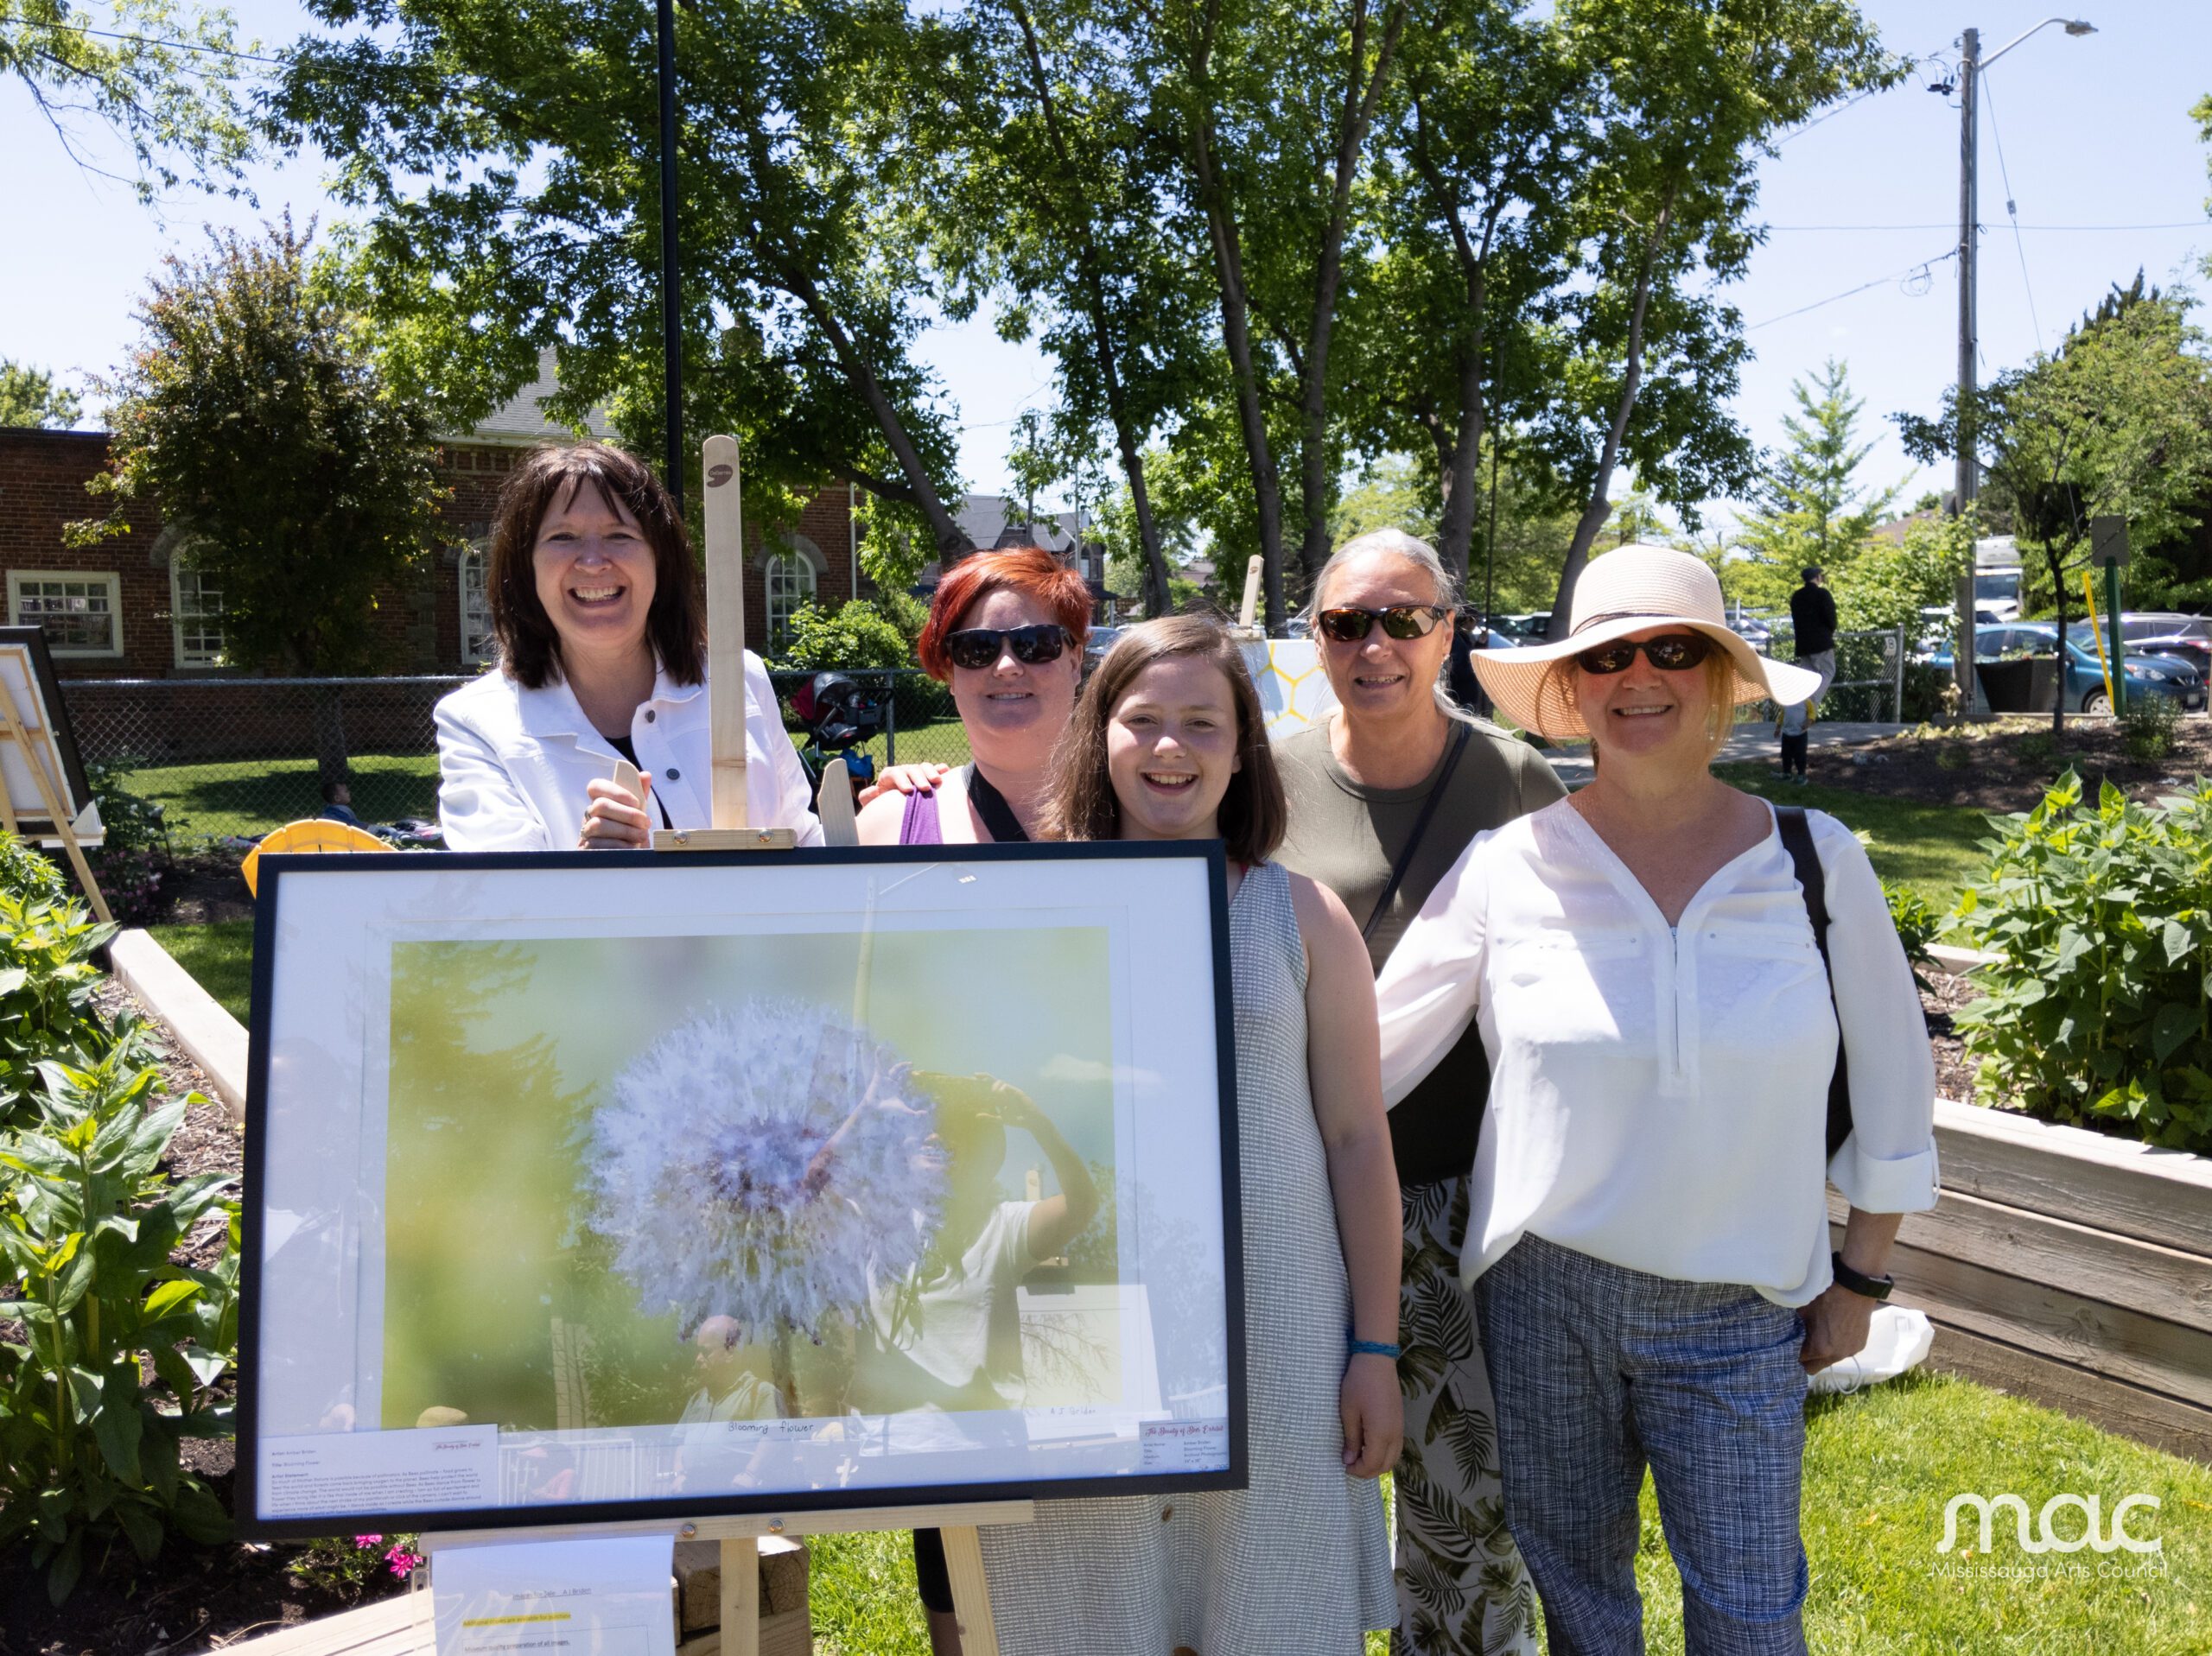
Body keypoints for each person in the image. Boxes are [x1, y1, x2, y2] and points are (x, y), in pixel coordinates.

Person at [1375, 545, 1938, 1654]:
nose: (1640, 676)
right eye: (1607, 655)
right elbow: (1366, 1056)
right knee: (1581, 1604)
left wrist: (1863, 1277)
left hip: (1740, 1310)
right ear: (1574, 692)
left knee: (1750, 1612)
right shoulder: (1508, 864)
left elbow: (1893, 1088)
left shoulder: (1813, 861)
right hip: (1543, 1299)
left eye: (1675, 651)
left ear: (1725, 683)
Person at [978, 616, 1401, 1656]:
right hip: (1088, 1312)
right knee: (1094, 1608)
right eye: (1143, 720)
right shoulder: (1025, 911)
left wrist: (1374, 1349)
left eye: (1202, 723)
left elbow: (1354, 1139)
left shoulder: (1300, 917)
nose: (1171, 748)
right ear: (1098, 734)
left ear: (1243, 745)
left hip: (1281, 1322)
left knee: (1268, 1605)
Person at [1273, 528, 1560, 1656]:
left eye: (1404, 620)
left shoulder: (1516, 779)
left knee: (1458, 1504)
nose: (1376, 645)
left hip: (1458, 1198)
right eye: (1348, 622)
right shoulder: (1268, 777)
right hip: (1300, 1194)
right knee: (1303, 1484)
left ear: (1449, 631)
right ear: (1316, 637)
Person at [434, 441, 821, 850]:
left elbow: (805, 839)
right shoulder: (477, 723)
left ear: (660, 559)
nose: (593, 561)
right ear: (525, 567)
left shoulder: (739, 678)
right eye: (563, 537)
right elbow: (501, 903)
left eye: (619, 535)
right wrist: (588, 872)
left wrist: (890, 815)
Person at [855, 547, 1090, 847]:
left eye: (1035, 642)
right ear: (951, 673)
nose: (1006, 667)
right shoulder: (885, 827)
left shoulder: (1143, 817)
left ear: (1074, 662)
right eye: (977, 647)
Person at [1779, 565, 1838, 782]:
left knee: (1807, 678)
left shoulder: (1797, 596)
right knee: (1827, 673)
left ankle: (1801, 706)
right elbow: (1831, 619)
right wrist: (1827, 633)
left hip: (1803, 645)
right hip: (1821, 643)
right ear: (1818, 577)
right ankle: (1809, 705)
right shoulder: (1822, 594)